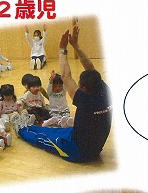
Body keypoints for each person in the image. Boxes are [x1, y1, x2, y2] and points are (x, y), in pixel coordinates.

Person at [17, 25, 113, 163]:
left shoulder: (85, 99)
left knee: (43, 138)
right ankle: (32, 126)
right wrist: (76, 46)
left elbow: (65, 76)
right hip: (92, 145)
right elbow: (91, 68)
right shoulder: (105, 90)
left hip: (77, 151)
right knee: (52, 130)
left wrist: (62, 49)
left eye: (79, 85)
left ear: (83, 89)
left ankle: (21, 129)